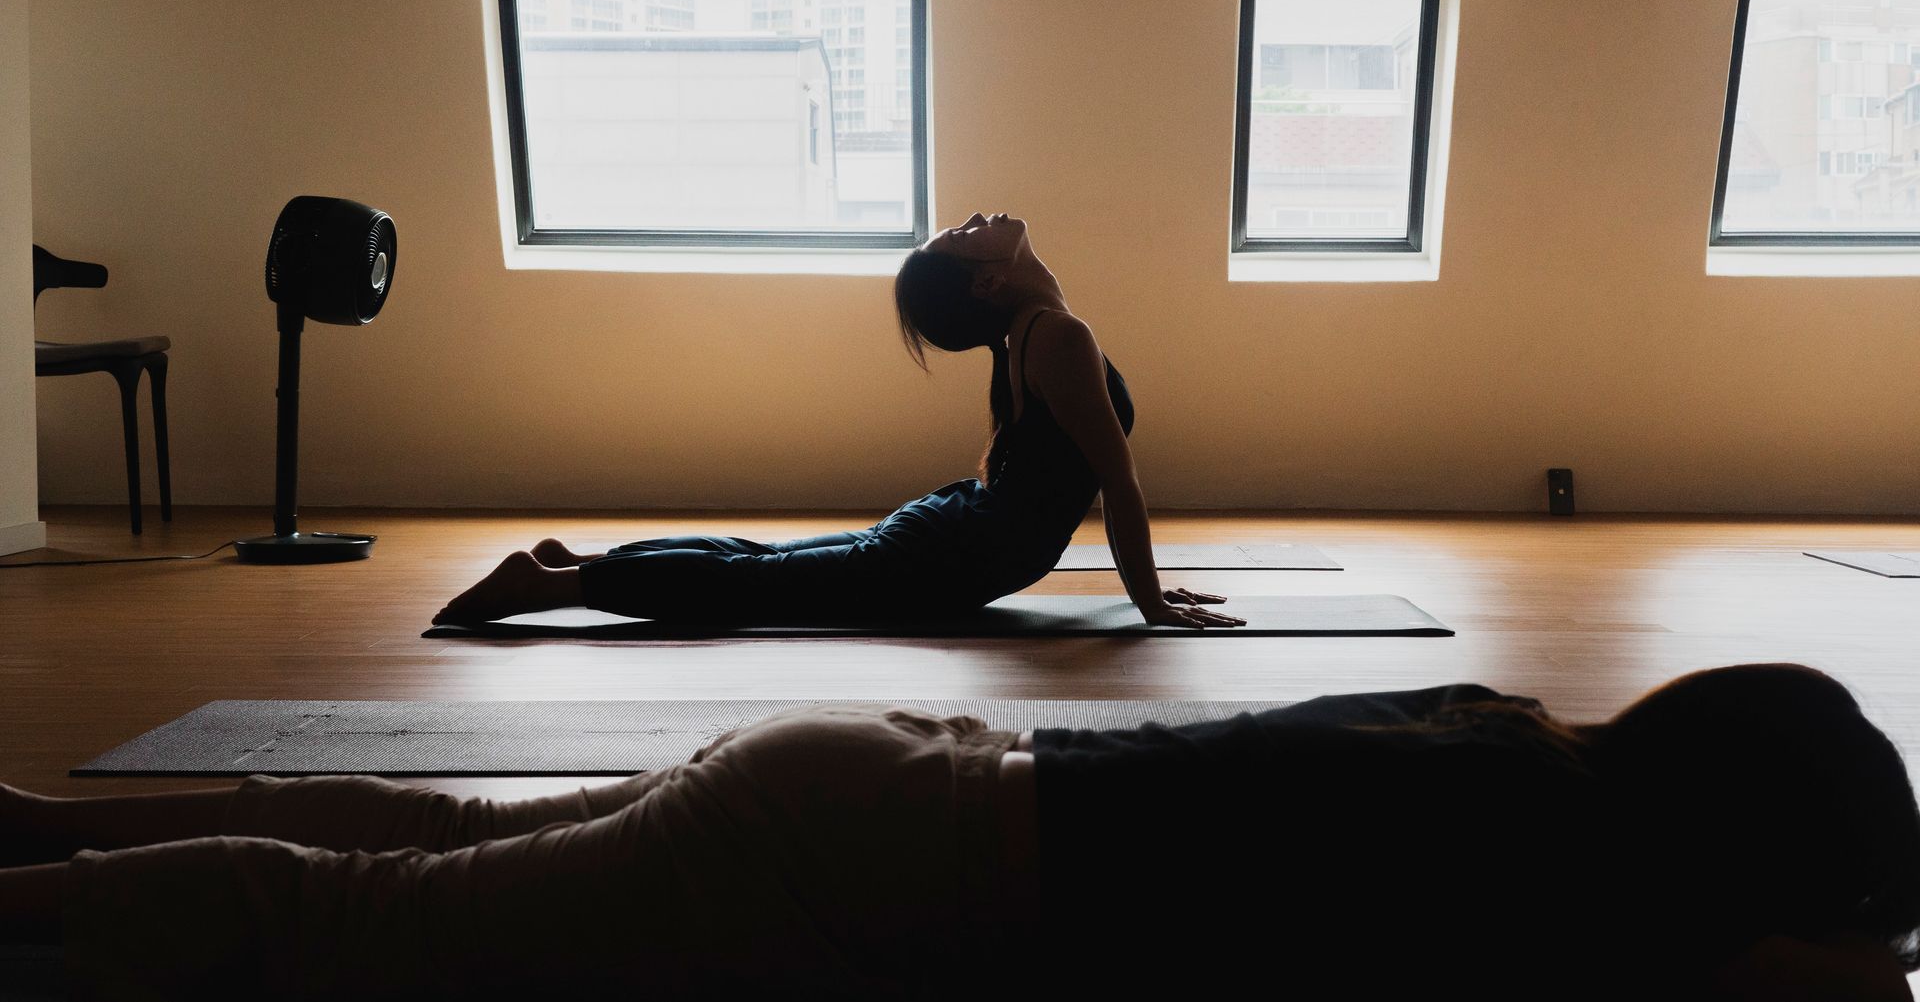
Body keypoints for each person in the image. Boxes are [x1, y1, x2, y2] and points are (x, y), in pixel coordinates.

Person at [2, 664, 1915, 999]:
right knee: (370, 934)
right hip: (853, 861)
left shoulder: (1512, 748)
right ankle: (46, 919)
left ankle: (46, 843)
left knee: (440, 826)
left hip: (892, 769)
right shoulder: (1563, 889)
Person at [433, 212, 1244, 631]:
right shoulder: (1056, 334)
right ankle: (558, 583)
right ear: (991, 282)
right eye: (964, 237)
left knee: (768, 565)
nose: (975, 219)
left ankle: (583, 563)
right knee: (760, 582)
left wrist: (1147, 590)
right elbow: (1119, 484)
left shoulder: (1034, 332)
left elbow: (1042, 466)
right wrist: (1150, 602)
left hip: (958, 535)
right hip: (958, 551)